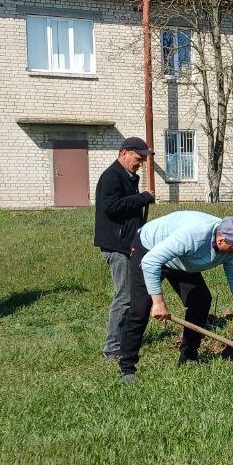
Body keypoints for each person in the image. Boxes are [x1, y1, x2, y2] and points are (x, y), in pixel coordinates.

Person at [116, 211, 233, 383]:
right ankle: (127, 368)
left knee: (201, 299)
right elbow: (151, 261)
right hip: (149, 250)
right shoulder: (193, 236)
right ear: (221, 240)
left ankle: (188, 357)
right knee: (140, 308)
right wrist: (158, 303)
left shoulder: (230, 249)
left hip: (180, 259)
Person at [94, 137, 156, 359]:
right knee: (125, 296)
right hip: (116, 246)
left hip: (128, 244)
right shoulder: (112, 176)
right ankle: (112, 348)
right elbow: (111, 207)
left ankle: (125, 339)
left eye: (142, 160)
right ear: (124, 153)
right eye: (138, 159)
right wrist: (142, 198)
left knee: (132, 295)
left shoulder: (128, 176)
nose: (140, 163)